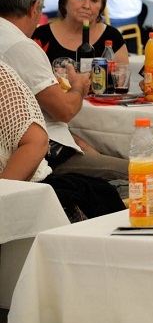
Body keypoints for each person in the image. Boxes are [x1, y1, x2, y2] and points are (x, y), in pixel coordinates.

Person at [0, 0, 129, 182]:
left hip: (34, 141)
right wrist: (78, 86)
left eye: (94, 0)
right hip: (44, 154)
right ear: (34, 8)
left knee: (96, 150)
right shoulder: (21, 45)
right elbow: (65, 111)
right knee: (141, 171)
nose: (87, 5)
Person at [0, 59, 124, 221]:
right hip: (51, 154)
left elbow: (38, 140)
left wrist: (3, 196)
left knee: (138, 176)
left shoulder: (5, 73)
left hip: (33, 179)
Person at [32, 0, 128, 69]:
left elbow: (121, 79)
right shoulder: (41, 36)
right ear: (64, 1)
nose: (86, 6)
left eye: (94, 0)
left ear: (101, 7)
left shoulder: (112, 37)